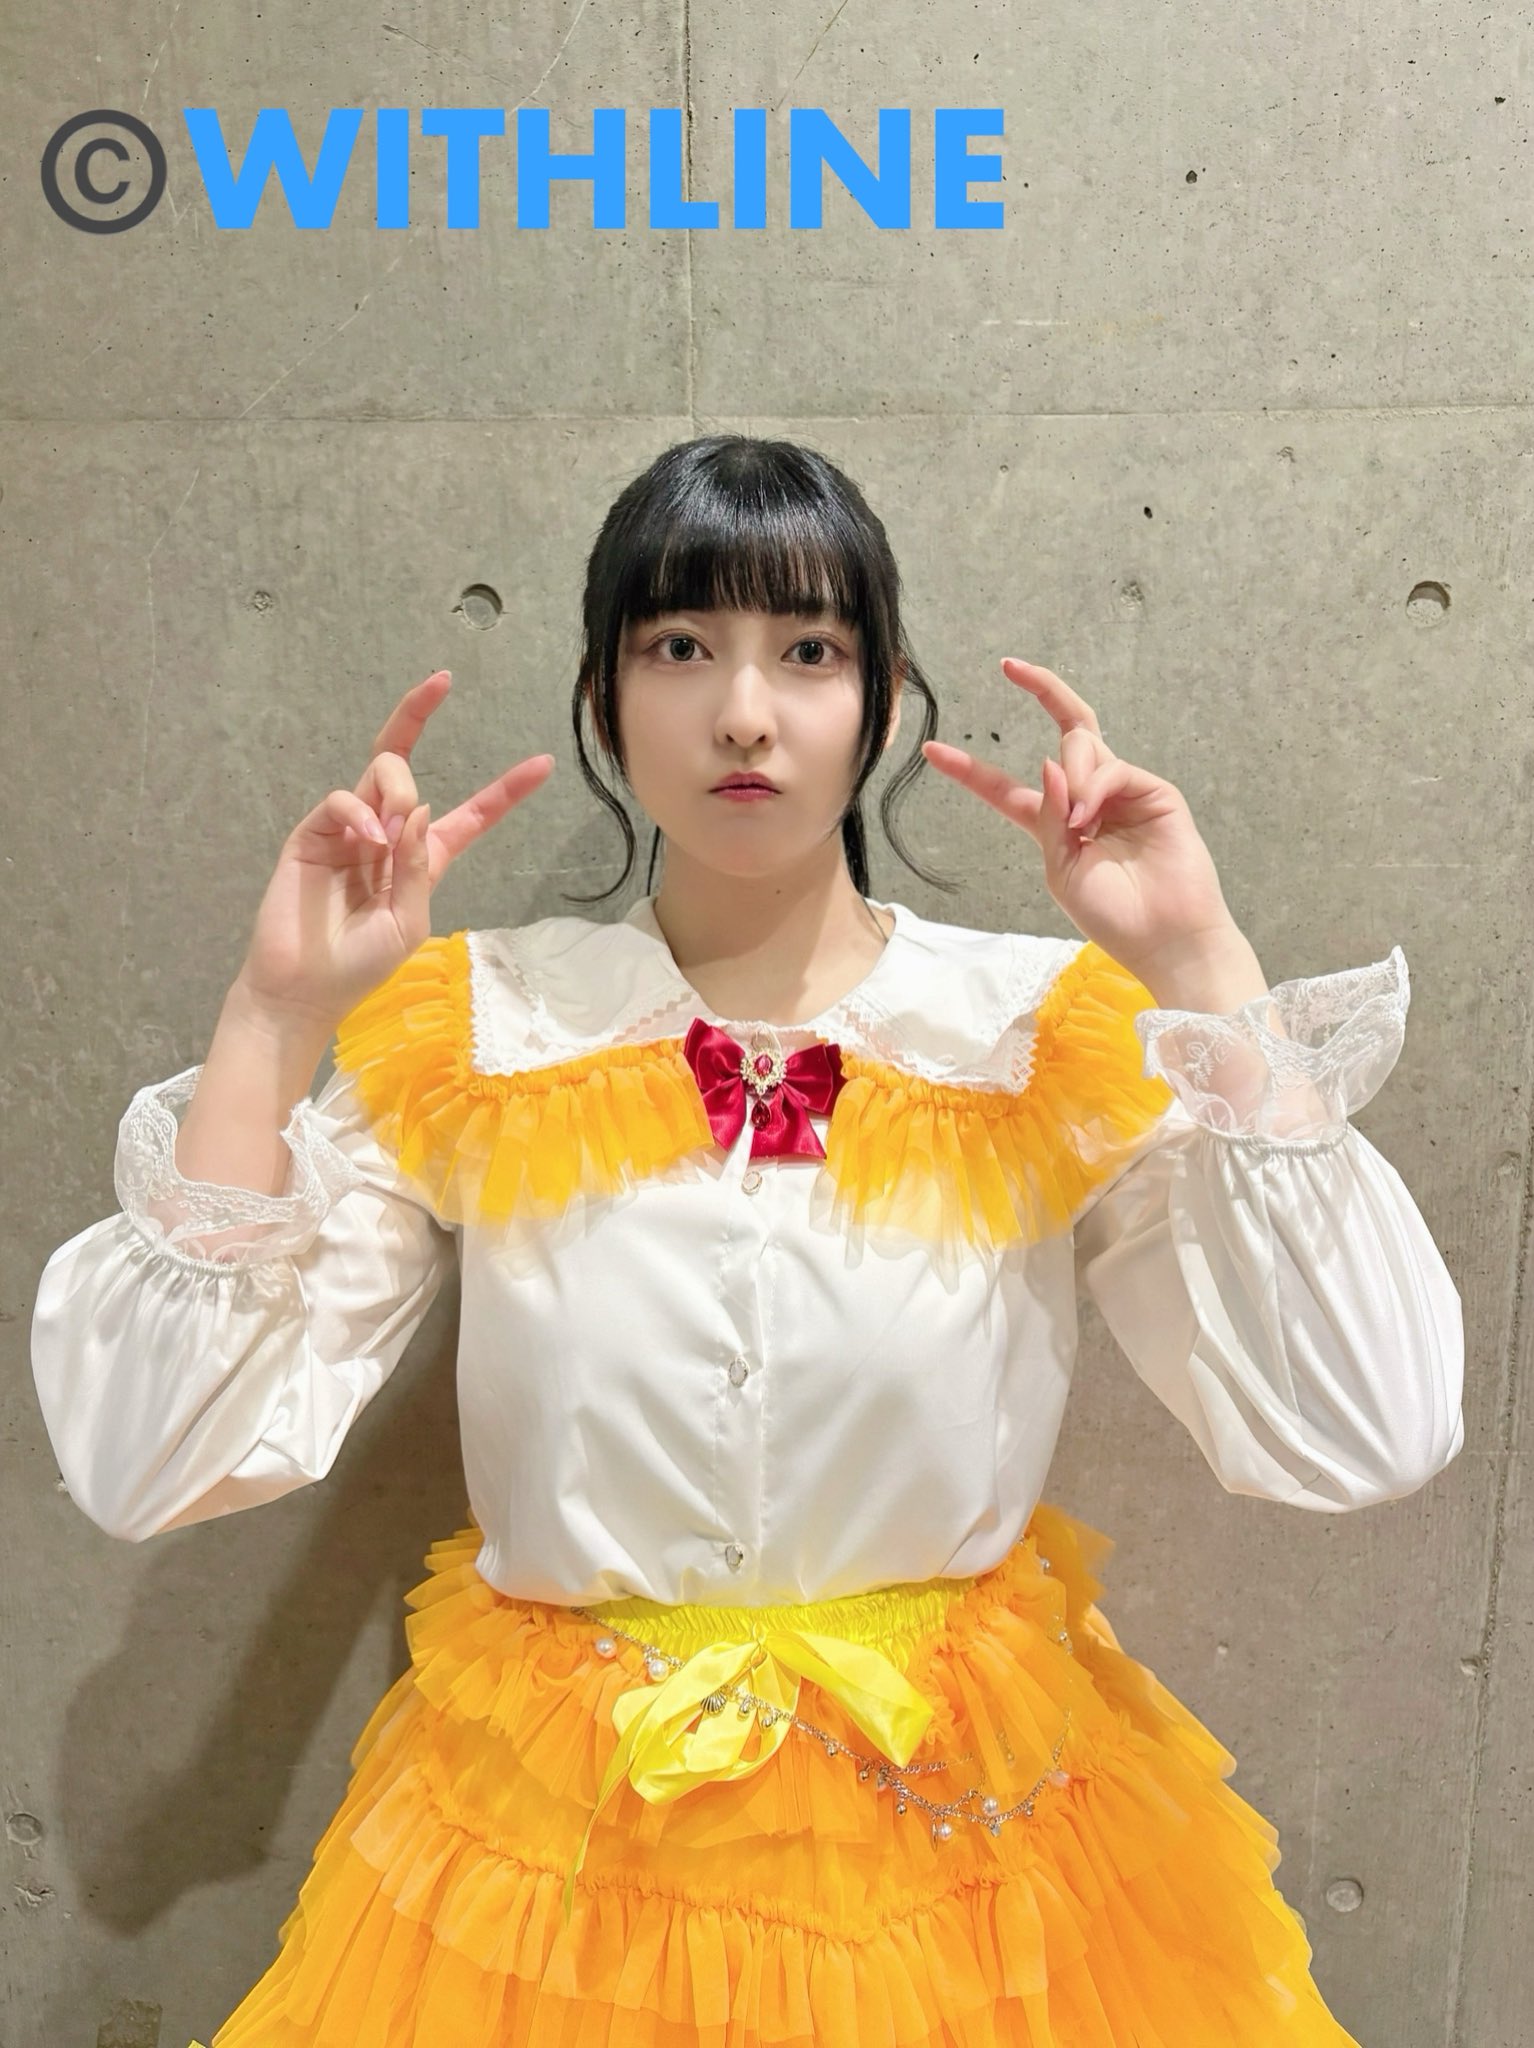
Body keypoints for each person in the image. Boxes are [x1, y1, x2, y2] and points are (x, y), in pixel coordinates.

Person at [31, 434, 1464, 2046]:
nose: (741, 712)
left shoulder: (1031, 1033)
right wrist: (274, 1018)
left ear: (884, 702)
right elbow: (150, 1459)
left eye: (808, 651)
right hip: (554, 1873)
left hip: (968, 1861)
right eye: (677, 646)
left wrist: (1199, 964)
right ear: (602, 699)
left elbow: (1364, 1429)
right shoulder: (482, 1028)